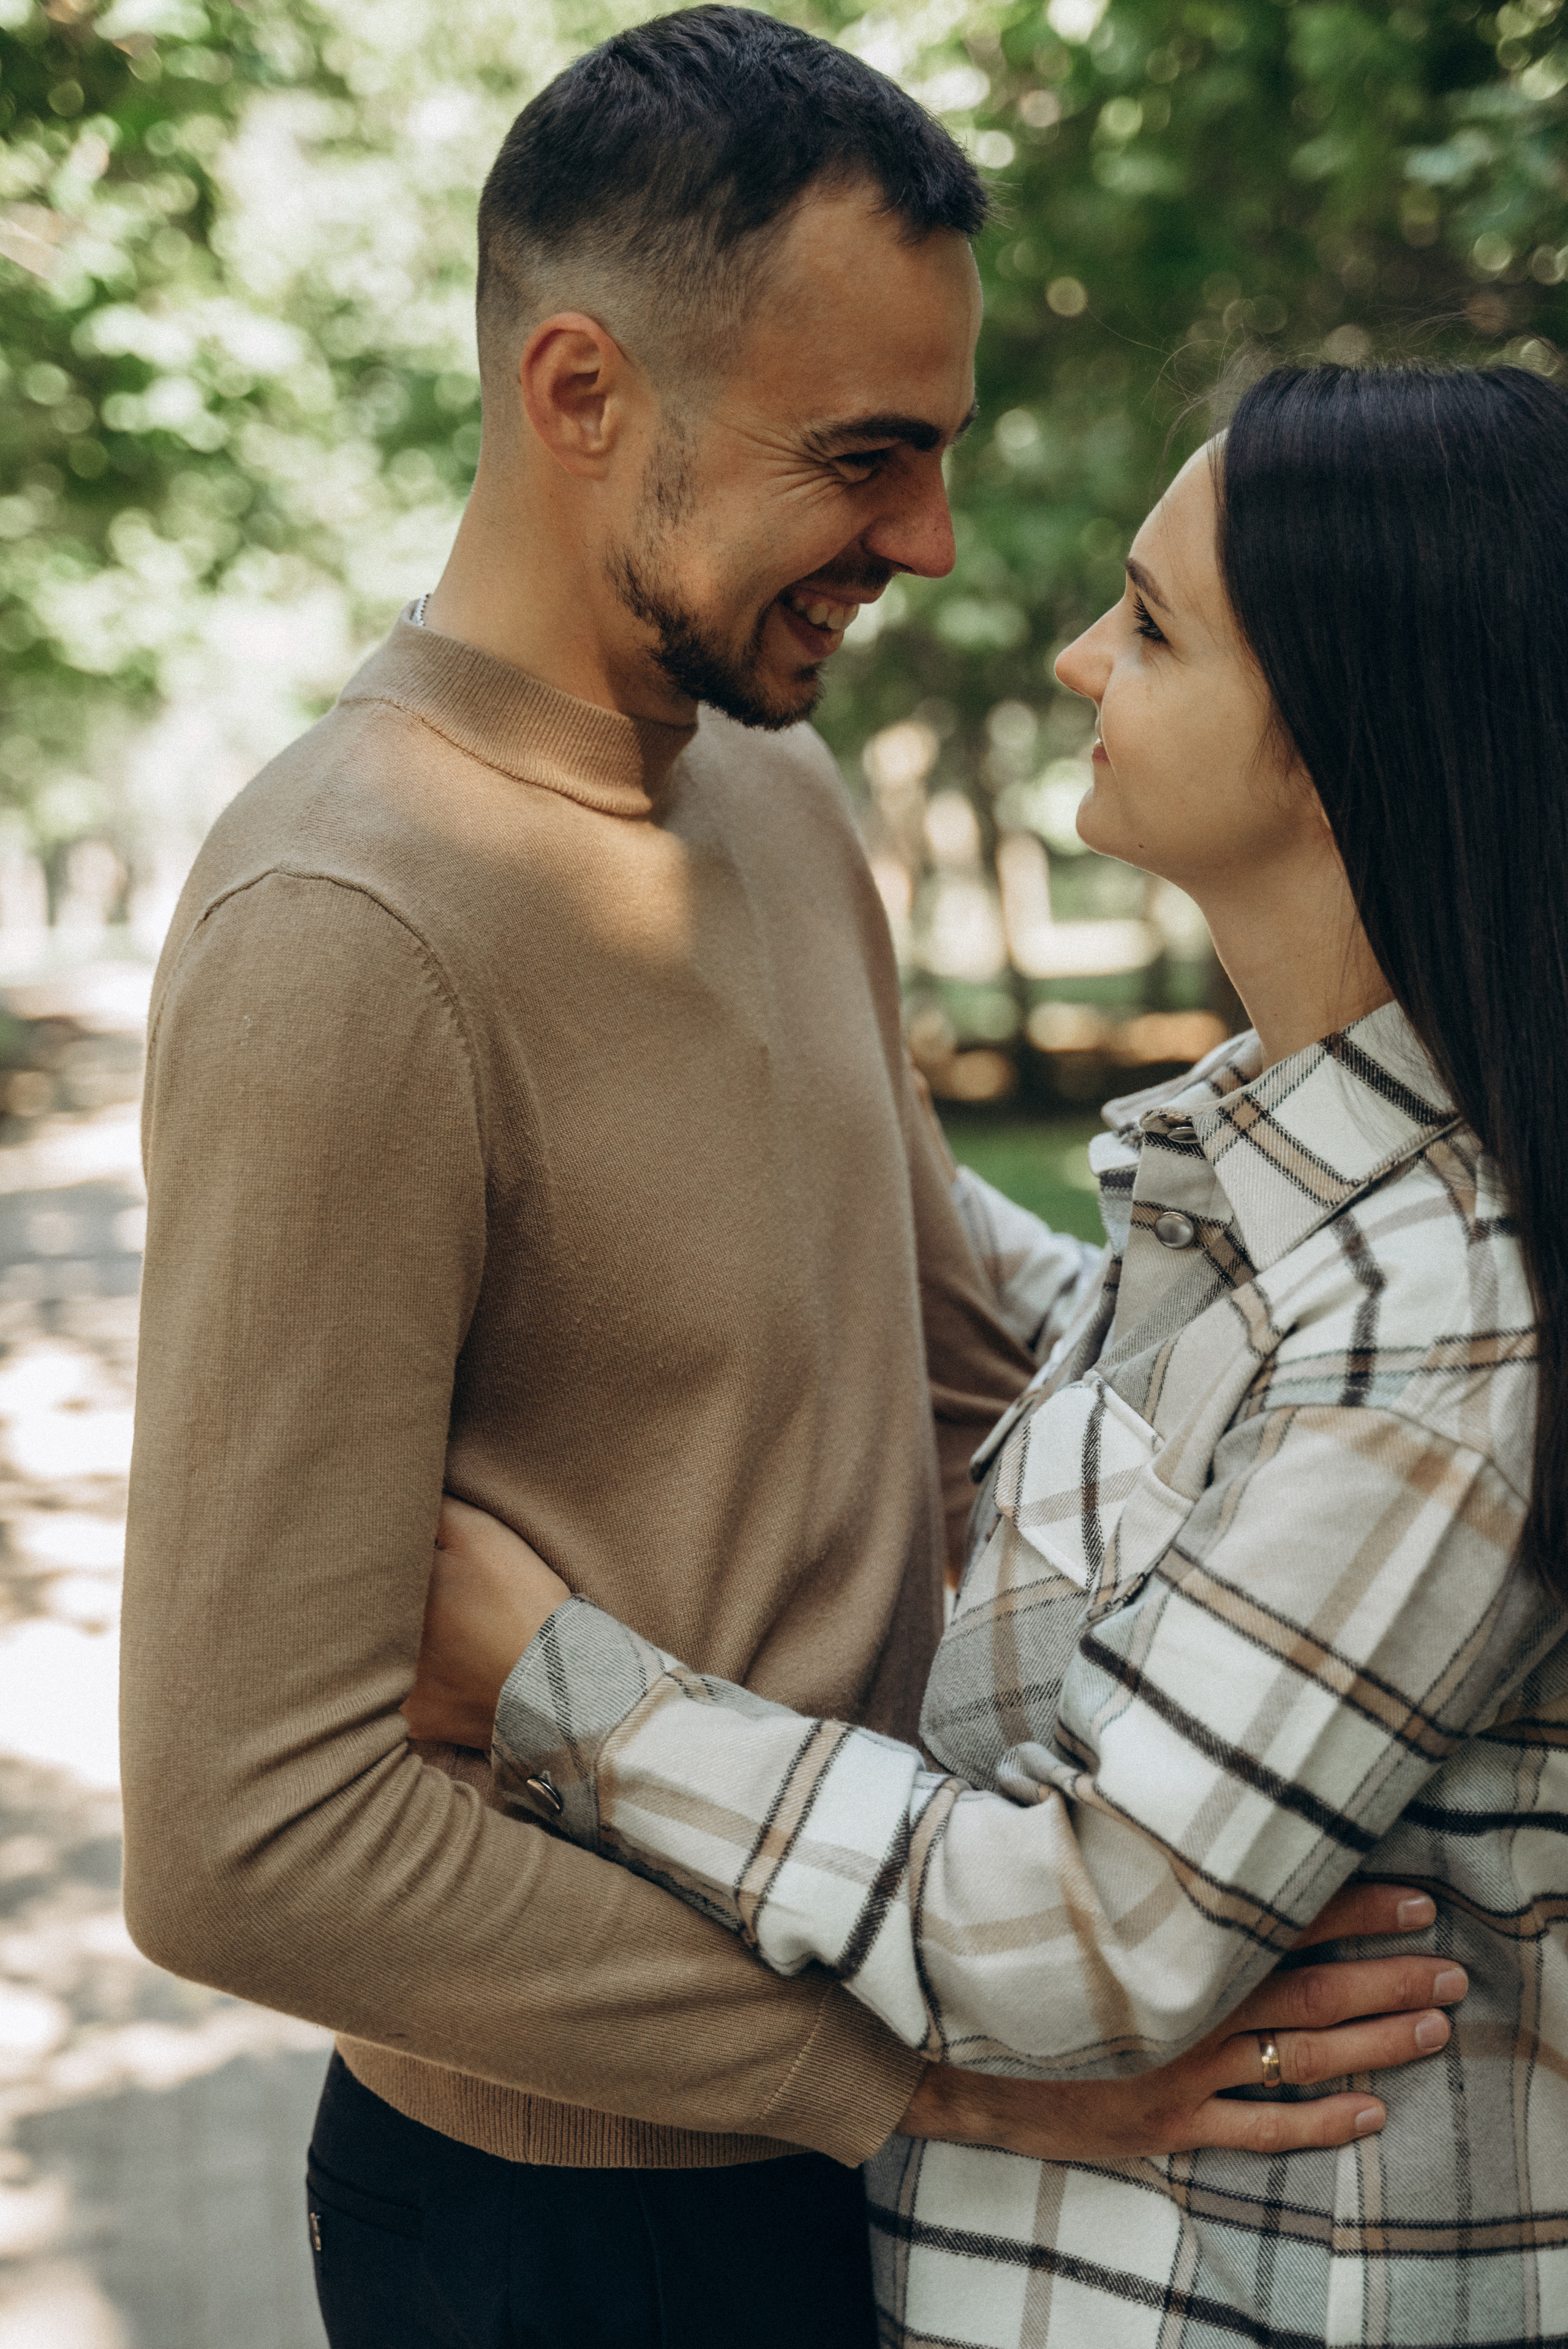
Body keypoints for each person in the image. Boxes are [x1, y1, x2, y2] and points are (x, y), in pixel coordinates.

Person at [121, 8, 1465, 2342]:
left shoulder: (768, 786)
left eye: (938, 453)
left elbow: (951, 1365)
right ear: (579, 391)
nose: (928, 545)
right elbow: (246, 1839)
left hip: (896, 2130)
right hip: (575, 2227)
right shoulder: (344, 927)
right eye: (864, 458)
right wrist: (930, 2073)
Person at [405, 360, 1568, 2349]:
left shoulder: (1447, 1309)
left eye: (1155, 627)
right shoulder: (1285, 1204)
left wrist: (556, 1683)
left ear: (1339, 740)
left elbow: (1091, 1932)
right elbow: (1099, 1382)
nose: (1076, 653)